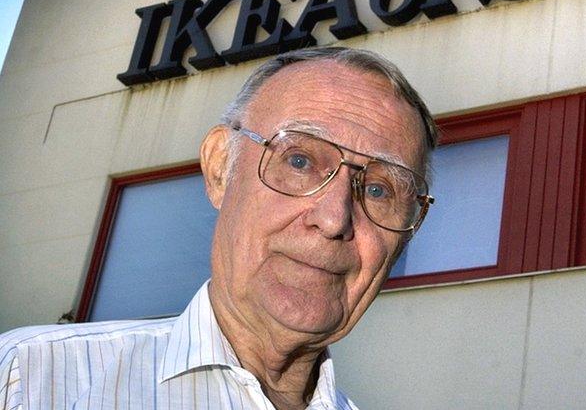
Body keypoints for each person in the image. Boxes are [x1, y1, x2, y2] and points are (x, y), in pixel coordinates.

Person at [0, 47, 438, 409]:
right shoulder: (30, 379)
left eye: (380, 190)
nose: (334, 218)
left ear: (407, 234)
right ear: (219, 170)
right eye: (300, 161)